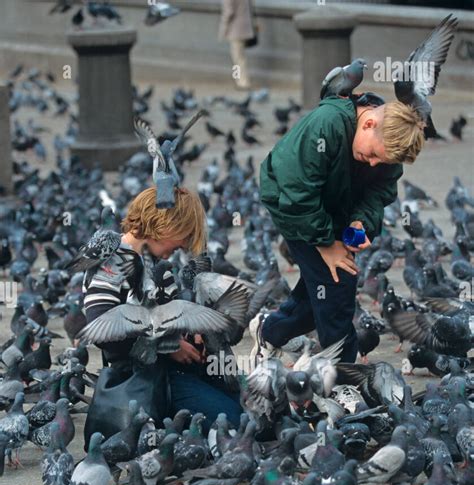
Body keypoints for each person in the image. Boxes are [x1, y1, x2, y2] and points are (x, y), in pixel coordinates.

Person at [255, 93, 426, 363]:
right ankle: (342, 374)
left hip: (335, 206)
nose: (373, 163)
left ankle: (269, 331)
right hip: (292, 206)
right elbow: (298, 194)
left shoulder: (387, 146)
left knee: (323, 289)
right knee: (336, 287)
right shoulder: (326, 125)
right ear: (368, 123)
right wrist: (326, 244)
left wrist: (361, 221)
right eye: (372, 155)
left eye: (380, 161)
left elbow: (380, 191)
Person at [83, 186, 242, 432]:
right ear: (168, 225)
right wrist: (170, 347)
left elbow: (169, 313)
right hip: (143, 378)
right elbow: (103, 332)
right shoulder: (110, 264)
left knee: (254, 410)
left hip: (174, 370)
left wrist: (192, 332)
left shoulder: (159, 266)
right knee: (233, 423)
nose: (185, 244)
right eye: (184, 235)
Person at [218, 0, 255, 90]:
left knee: (237, 59)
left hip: (235, 29)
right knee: (240, 58)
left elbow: (228, 12)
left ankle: (241, 81)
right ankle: (240, 80)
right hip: (245, 27)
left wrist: (223, 29)